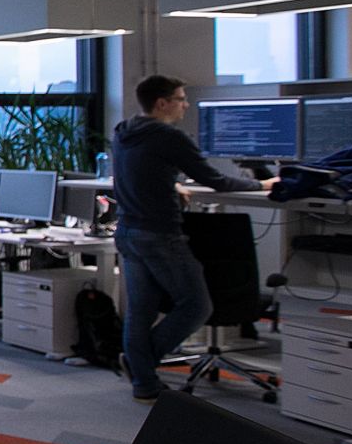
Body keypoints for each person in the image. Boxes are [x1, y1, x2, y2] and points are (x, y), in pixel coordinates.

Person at [110, 74, 274, 404]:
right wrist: (265, 185)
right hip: (159, 235)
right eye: (181, 99)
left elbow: (140, 172)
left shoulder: (124, 131)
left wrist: (171, 185)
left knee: (141, 311)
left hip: (128, 232)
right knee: (197, 306)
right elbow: (216, 181)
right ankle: (142, 366)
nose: (186, 105)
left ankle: (144, 382)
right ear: (162, 103)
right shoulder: (168, 136)